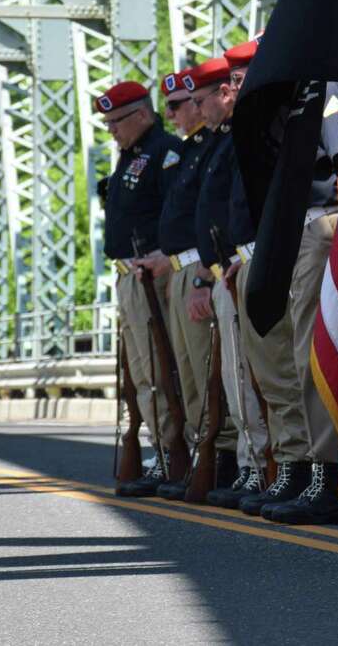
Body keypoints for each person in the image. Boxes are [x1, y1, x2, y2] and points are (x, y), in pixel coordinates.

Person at [135, 70, 242, 500]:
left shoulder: (210, 146)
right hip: (183, 268)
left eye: (181, 104)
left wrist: (202, 273)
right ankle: (205, 456)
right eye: (180, 105)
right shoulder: (191, 152)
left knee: (209, 370)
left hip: (203, 267)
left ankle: (225, 458)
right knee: (191, 374)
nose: (178, 113)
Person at [261, 80, 338, 525]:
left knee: (319, 354)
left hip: (326, 230)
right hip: (303, 232)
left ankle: (331, 476)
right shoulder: (304, 96)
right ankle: (317, 471)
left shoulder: (330, 94)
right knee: (304, 355)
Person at [184, 56, 271, 507]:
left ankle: (260, 466)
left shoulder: (242, 135)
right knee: (234, 377)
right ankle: (249, 463)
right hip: (225, 268)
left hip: (241, 265)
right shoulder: (222, 141)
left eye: (200, 100)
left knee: (249, 375)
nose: (196, 111)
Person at [97, 81, 183, 498]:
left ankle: (170, 453)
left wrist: (164, 257)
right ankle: (160, 450)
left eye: (115, 121)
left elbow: (175, 216)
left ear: (142, 115)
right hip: (128, 273)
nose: (111, 130)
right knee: (141, 373)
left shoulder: (163, 154)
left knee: (156, 370)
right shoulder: (131, 157)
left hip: (150, 273)